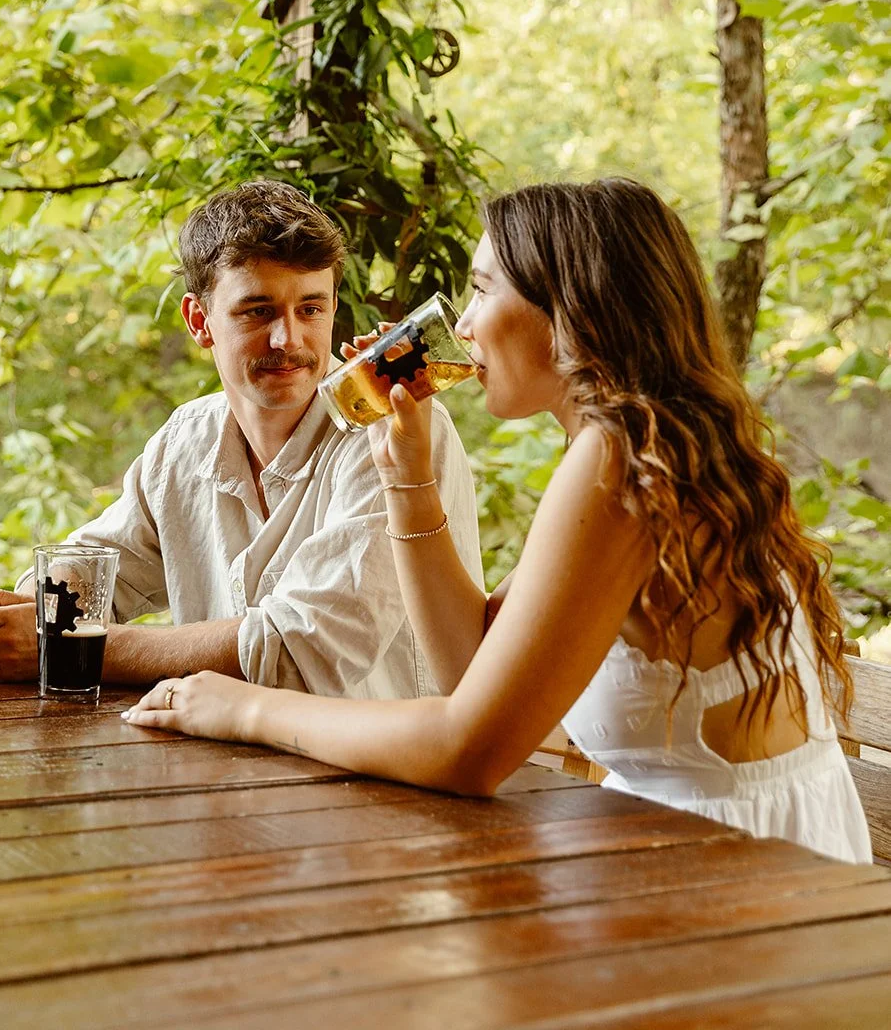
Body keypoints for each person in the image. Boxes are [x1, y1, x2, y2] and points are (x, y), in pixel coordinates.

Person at [123, 179, 872, 865]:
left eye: (481, 290)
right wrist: (408, 481)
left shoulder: (620, 462)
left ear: (571, 310)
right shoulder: (630, 442)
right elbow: (469, 673)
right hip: (660, 849)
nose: (465, 325)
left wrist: (247, 707)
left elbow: (470, 753)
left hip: (743, 872)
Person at [0, 180, 482, 696]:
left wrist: (69, 648)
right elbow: (96, 567)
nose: (289, 338)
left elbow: (302, 651)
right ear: (200, 321)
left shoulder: (395, 435)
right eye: (257, 311)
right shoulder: (186, 441)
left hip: (388, 782)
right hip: (219, 776)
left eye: (310, 308)